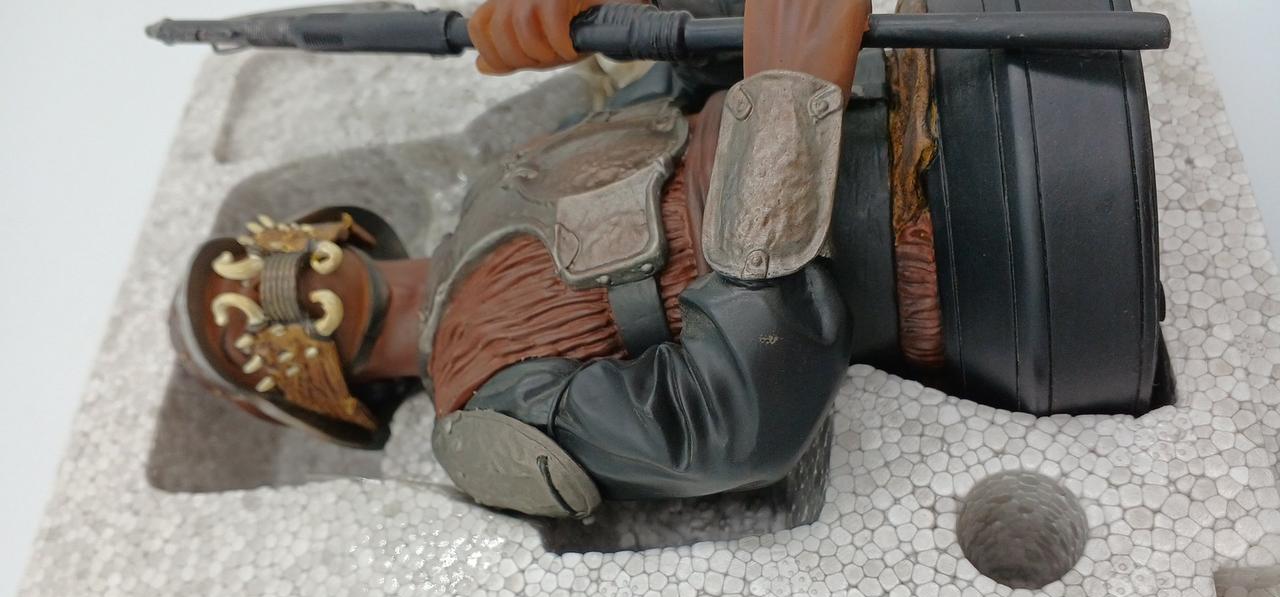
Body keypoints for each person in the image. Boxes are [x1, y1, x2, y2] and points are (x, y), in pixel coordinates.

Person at [172, 0, 873, 518]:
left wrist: (628, 12)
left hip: (892, 97)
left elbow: (704, 58)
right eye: (240, 340)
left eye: (244, 260)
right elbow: (723, 429)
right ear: (311, 399)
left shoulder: (505, 178)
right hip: (902, 248)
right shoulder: (481, 421)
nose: (251, 290)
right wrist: (785, 117)